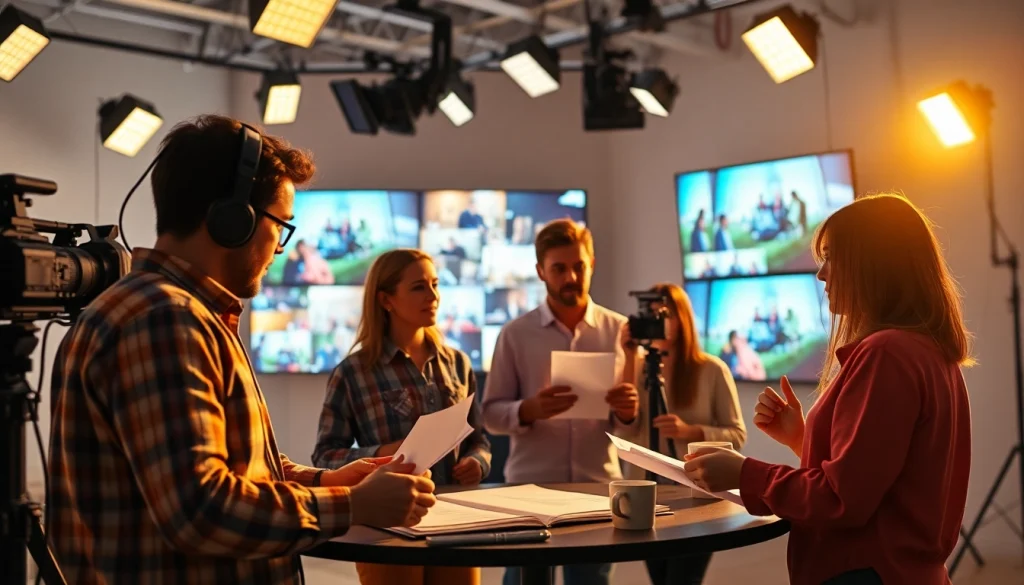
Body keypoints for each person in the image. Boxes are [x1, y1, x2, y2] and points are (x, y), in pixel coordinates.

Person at [46, 115, 437, 585]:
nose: (280, 249)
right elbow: (199, 510)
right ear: (232, 219)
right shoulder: (164, 321)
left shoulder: (174, 313)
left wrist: (327, 481)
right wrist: (353, 505)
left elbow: (237, 473)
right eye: (281, 226)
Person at [682, 194, 973, 585]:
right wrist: (802, 439)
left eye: (833, 257)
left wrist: (745, 473)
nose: (821, 274)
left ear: (873, 263)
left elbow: (843, 501)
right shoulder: (929, 352)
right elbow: (877, 480)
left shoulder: (886, 353)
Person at [312, 249, 492, 585]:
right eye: (418, 287)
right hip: (387, 525)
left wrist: (477, 462)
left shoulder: (457, 363)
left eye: (435, 284)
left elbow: (479, 439)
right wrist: (382, 454)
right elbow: (324, 456)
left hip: (457, 523)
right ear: (386, 300)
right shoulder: (353, 372)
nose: (433, 296)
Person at [482, 219, 640, 585]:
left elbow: (629, 427)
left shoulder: (621, 332)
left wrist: (628, 411)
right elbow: (489, 415)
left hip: (599, 487)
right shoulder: (515, 335)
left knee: (591, 582)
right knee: (525, 581)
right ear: (540, 271)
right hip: (529, 489)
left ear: (592, 264)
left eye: (579, 266)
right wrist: (527, 410)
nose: (571, 276)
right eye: (559, 268)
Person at [620, 282, 746, 585]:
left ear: (683, 319)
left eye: (664, 314)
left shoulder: (712, 370)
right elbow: (626, 427)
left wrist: (689, 431)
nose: (657, 321)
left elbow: (737, 435)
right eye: (649, 314)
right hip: (647, 497)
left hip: (696, 494)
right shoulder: (638, 367)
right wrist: (626, 356)